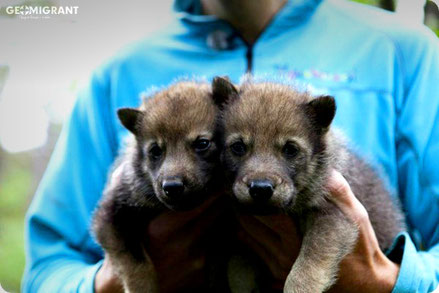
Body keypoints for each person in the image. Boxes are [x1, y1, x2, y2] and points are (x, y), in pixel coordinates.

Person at [22, 0, 439, 292]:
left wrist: (388, 283)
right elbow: (44, 270)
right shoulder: (116, 73)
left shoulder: (406, 52)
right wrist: (115, 283)